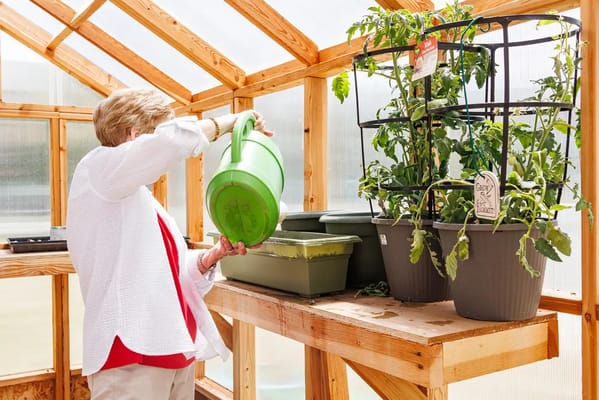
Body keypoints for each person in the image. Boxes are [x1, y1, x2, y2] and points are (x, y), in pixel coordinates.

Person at [66, 87, 272, 399]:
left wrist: (213, 255)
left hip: (171, 347)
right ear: (135, 136)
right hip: (130, 355)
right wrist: (228, 123)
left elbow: (170, 273)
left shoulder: (142, 200)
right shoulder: (97, 170)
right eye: (164, 125)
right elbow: (169, 143)